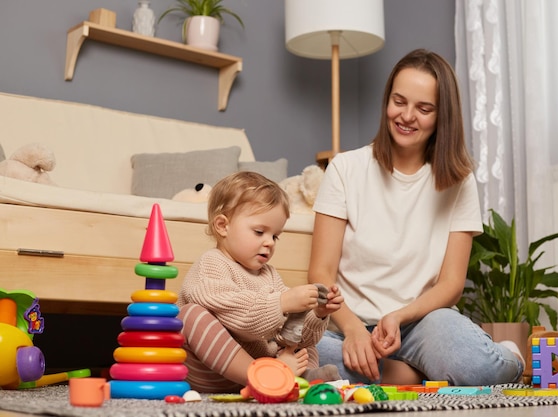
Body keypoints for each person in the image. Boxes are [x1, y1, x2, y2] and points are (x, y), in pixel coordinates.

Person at [308, 48, 524, 386]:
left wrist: (399, 316)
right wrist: (352, 331)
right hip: (350, 324)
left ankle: (508, 356)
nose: (407, 116)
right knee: (295, 355)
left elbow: (451, 285)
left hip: (422, 322)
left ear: (442, 117)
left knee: (477, 368)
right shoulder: (345, 168)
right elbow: (320, 271)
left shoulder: (459, 181)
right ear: (387, 101)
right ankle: (409, 374)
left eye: (424, 109)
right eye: (399, 101)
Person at [177, 171, 344, 393]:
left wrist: (318, 314)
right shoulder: (211, 264)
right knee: (189, 316)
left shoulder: (270, 275)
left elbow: (291, 333)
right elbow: (241, 320)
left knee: (306, 344)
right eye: (259, 232)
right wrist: (283, 303)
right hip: (208, 372)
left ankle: (303, 378)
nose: (269, 243)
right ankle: (270, 375)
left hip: (260, 364)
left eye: (275, 236)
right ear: (222, 226)